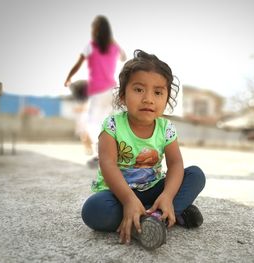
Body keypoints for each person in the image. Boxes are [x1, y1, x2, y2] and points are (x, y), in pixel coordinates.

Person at [81, 50, 206, 249]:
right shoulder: (112, 125)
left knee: (195, 175)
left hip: (153, 189)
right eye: (139, 90)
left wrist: (167, 195)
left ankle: (156, 215)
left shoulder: (166, 129)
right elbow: (107, 163)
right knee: (93, 210)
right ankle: (165, 216)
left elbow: (175, 164)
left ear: (166, 100)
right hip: (118, 194)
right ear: (122, 95)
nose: (148, 99)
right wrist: (129, 200)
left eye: (158, 92)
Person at [64, 15, 126, 166]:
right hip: (111, 90)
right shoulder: (113, 47)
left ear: (95, 29)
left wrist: (68, 78)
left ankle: (101, 156)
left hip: (98, 91)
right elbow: (123, 57)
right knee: (112, 122)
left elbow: (78, 64)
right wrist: (113, 40)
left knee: (93, 123)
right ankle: (117, 154)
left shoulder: (91, 45)